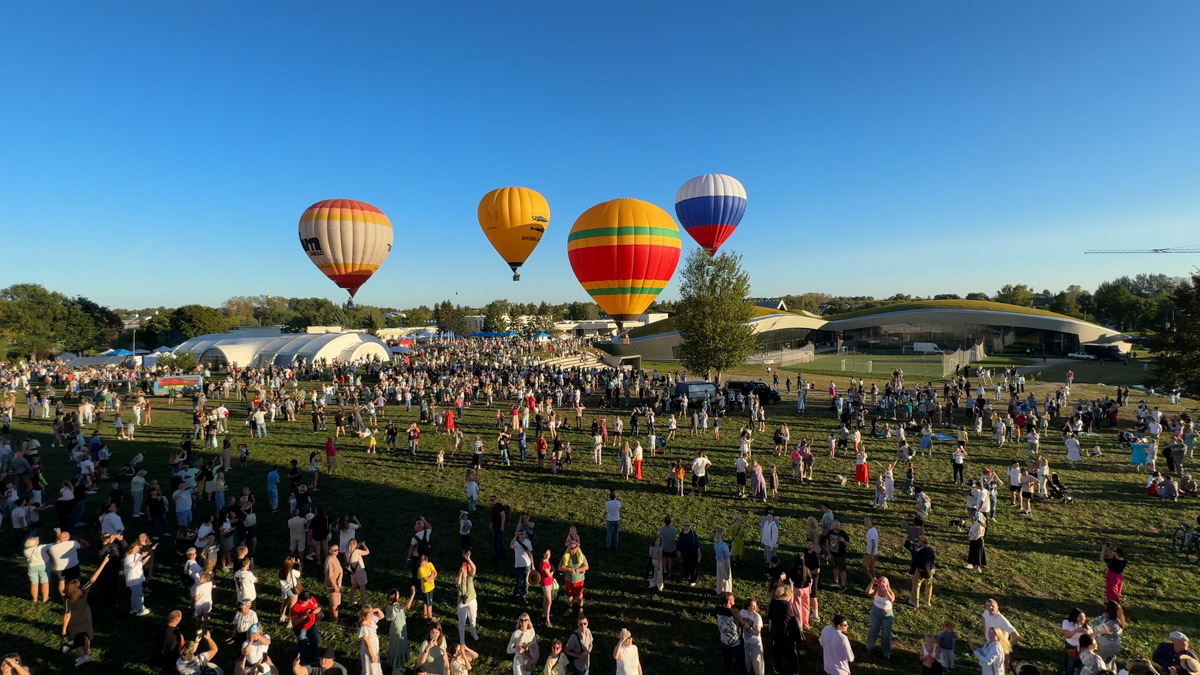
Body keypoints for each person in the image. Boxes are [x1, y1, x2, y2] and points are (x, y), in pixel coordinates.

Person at [62, 556, 108, 667]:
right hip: (86, 616)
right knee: (86, 635)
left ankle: (82, 657)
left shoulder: (67, 600)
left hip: (74, 622)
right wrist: (104, 562)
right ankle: (86, 652)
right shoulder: (83, 592)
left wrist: (63, 628)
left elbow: (67, 615)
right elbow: (93, 577)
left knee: (75, 640)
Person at [385, 586, 416, 671]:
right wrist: (413, 594)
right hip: (398, 630)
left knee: (395, 647)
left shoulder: (390, 606)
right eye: (397, 593)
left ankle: (396, 664)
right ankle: (396, 666)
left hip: (394, 629)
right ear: (395, 597)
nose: (399, 594)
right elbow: (407, 606)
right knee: (398, 647)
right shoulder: (395, 607)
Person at [864, 576, 895, 659]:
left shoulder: (890, 592)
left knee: (886, 634)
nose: (881, 583)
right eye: (880, 581)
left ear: (887, 583)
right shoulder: (876, 589)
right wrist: (872, 583)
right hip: (875, 612)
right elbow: (867, 591)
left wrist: (886, 590)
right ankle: (869, 647)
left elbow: (891, 599)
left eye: (883, 582)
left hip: (887, 615)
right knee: (873, 630)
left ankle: (886, 652)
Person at [715, 592, 745, 675]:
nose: (734, 599)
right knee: (740, 661)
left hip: (724, 640)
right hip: (736, 641)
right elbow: (743, 624)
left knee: (727, 663)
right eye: (732, 598)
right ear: (728, 601)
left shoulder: (717, 610)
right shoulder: (734, 612)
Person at [289, 590, 320, 666]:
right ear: (299, 599)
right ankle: (303, 661)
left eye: (308, 601)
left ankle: (315, 659)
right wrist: (304, 616)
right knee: (302, 644)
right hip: (300, 628)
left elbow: (318, 607)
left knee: (314, 642)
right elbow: (294, 623)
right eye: (305, 602)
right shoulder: (295, 608)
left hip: (311, 625)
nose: (307, 603)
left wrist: (316, 611)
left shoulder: (311, 600)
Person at [559, 539, 589, 614]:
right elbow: (560, 567)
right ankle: (569, 608)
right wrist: (568, 569)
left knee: (579, 595)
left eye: (575, 547)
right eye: (571, 548)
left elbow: (586, 567)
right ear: (568, 548)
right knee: (569, 595)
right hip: (568, 580)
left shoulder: (581, 556)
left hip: (579, 580)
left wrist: (577, 570)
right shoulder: (565, 556)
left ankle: (581, 609)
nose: (573, 549)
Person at [123, 539, 153, 615]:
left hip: (138, 578)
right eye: (136, 548)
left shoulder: (138, 555)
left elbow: (140, 564)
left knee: (135, 594)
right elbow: (132, 565)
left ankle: (135, 608)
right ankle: (142, 609)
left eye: (138, 548)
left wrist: (146, 558)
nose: (138, 549)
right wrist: (141, 557)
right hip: (133, 579)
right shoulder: (128, 557)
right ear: (131, 549)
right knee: (139, 594)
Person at [456, 553, 481, 644]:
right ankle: (462, 640)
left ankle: (473, 632)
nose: (465, 571)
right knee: (462, 622)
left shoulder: (470, 577)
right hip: (462, 602)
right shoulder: (459, 578)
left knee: (473, 618)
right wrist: (460, 574)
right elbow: (457, 583)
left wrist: (468, 559)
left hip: (472, 600)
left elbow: (474, 568)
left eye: (466, 569)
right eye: (463, 569)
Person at [154, 610, 185, 675]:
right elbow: (180, 650)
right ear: (177, 619)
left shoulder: (160, 631)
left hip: (160, 662)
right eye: (180, 617)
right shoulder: (177, 636)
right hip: (171, 666)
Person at [740, 598, 765, 675]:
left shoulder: (757, 617)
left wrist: (747, 626)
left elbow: (757, 632)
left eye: (755, 607)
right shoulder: (743, 612)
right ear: (747, 606)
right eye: (751, 606)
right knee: (746, 663)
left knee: (757, 664)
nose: (753, 608)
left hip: (755, 643)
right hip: (745, 642)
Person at [909, 537, 935, 607]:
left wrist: (912, 551)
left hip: (922, 570)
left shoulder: (922, 551)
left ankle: (914, 601)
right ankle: (927, 600)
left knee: (916, 585)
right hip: (931, 570)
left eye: (919, 541)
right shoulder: (931, 550)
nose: (918, 542)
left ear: (922, 542)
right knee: (929, 585)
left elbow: (916, 559)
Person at [358, 605, 385, 675]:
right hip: (369, 650)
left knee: (375, 666)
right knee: (370, 667)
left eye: (371, 612)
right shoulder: (364, 627)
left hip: (374, 647)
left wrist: (377, 609)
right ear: (364, 615)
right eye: (369, 612)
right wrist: (372, 655)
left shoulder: (371, 619)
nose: (371, 614)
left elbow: (382, 616)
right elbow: (367, 643)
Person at [23, 536, 50, 603]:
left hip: (32, 567)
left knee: (34, 583)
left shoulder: (25, 551)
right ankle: (45, 598)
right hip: (43, 565)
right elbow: (52, 545)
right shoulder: (41, 548)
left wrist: (36, 540)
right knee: (45, 582)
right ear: (35, 543)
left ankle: (34, 599)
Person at [677, 519, 702, 587]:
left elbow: (697, 542)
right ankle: (686, 576)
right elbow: (679, 543)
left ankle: (694, 580)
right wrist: (678, 550)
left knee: (694, 566)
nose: (687, 526)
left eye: (688, 525)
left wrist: (699, 550)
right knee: (686, 565)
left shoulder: (693, 533)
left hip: (693, 552)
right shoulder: (681, 534)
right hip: (685, 552)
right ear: (683, 526)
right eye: (685, 525)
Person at [714, 529, 732, 595]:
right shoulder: (723, 545)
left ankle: (719, 590)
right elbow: (727, 555)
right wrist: (731, 551)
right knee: (726, 576)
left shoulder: (716, 544)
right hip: (724, 562)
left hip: (718, 561)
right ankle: (726, 591)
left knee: (719, 577)